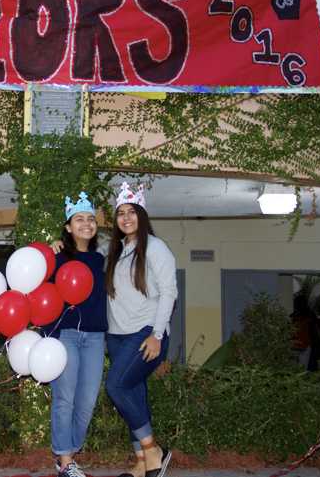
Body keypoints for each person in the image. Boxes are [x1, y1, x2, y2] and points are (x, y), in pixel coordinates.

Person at [104, 182, 176, 477]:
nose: (126, 218)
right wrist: (60, 242)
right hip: (117, 335)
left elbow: (169, 292)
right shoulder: (118, 250)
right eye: (121, 213)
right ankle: (142, 462)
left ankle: (152, 449)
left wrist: (157, 335)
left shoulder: (156, 248)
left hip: (146, 332)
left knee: (116, 386)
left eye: (132, 212)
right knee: (134, 391)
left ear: (142, 215)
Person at [45, 191, 108, 477]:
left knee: (87, 401)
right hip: (67, 335)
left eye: (91, 219)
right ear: (69, 227)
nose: (86, 223)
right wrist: (51, 333)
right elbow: (42, 294)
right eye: (79, 219)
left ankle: (70, 453)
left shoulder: (101, 259)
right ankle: (65, 460)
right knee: (64, 398)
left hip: (95, 337)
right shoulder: (57, 257)